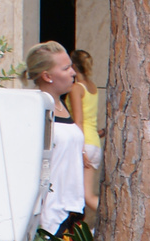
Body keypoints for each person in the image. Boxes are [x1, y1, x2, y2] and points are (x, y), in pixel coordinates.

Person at [23, 42, 87, 238]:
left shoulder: (60, 104)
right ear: (47, 76)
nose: (73, 73)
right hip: (48, 218)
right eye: (66, 68)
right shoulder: (34, 108)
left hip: (71, 209)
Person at [68, 49, 103, 215]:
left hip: (84, 145)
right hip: (95, 143)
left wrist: (81, 149)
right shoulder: (92, 87)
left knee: (84, 196)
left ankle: (115, 217)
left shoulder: (76, 88)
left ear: (74, 66)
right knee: (87, 195)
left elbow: (79, 121)